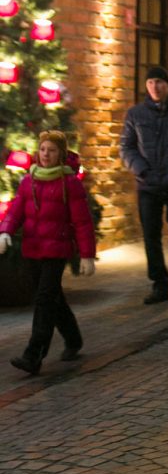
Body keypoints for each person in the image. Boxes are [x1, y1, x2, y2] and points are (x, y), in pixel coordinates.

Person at [0, 130, 96, 375]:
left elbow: (83, 223)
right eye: (42, 149)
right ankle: (73, 338)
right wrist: (5, 231)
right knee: (52, 297)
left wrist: (86, 255)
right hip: (32, 248)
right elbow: (15, 211)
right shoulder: (28, 180)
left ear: (60, 154)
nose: (45, 154)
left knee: (44, 300)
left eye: (51, 150)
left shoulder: (69, 184)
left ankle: (33, 355)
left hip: (56, 249)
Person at [120, 65, 168, 303]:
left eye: (159, 82)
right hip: (148, 182)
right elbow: (127, 147)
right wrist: (142, 170)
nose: (155, 87)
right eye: (151, 82)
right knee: (151, 234)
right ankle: (159, 284)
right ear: (146, 86)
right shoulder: (135, 114)